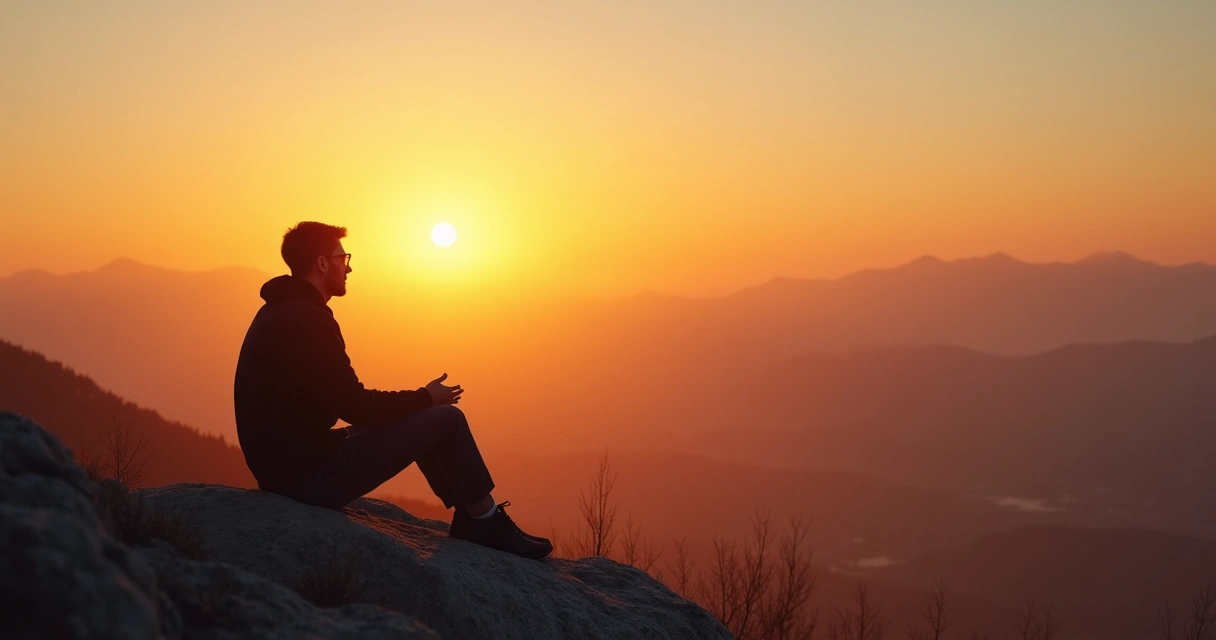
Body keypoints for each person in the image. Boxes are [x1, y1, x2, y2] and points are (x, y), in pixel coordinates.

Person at [234, 221, 551, 559]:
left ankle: (472, 516)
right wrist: (425, 397)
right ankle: (485, 520)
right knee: (447, 419)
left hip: (288, 468)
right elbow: (355, 405)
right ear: (322, 263)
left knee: (422, 414)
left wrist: (418, 402)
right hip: (306, 479)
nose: (350, 266)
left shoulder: (280, 310)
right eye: (343, 257)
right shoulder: (307, 319)